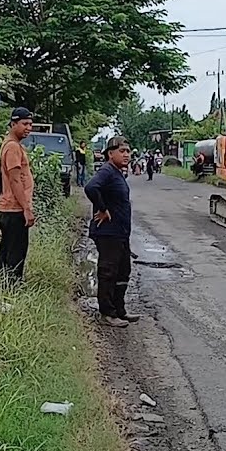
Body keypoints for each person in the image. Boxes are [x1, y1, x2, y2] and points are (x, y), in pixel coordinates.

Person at [85, 136, 141, 327]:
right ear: (111, 153)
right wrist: (102, 209)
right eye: (122, 151)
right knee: (109, 272)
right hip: (108, 233)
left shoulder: (117, 172)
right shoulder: (107, 171)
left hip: (120, 233)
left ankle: (119, 310)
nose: (127, 155)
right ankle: (107, 313)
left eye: (128, 151)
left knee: (123, 271)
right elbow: (91, 187)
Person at [0, 107, 36, 286]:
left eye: (30, 124)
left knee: (7, 248)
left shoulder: (12, 144)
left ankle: (3, 283)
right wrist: (26, 209)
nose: (29, 128)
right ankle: (11, 286)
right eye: (25, 124)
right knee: (16, 251)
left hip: (11, 207)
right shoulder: (12, 147)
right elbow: (15, 180)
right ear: (13, 124)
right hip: (14, 208)